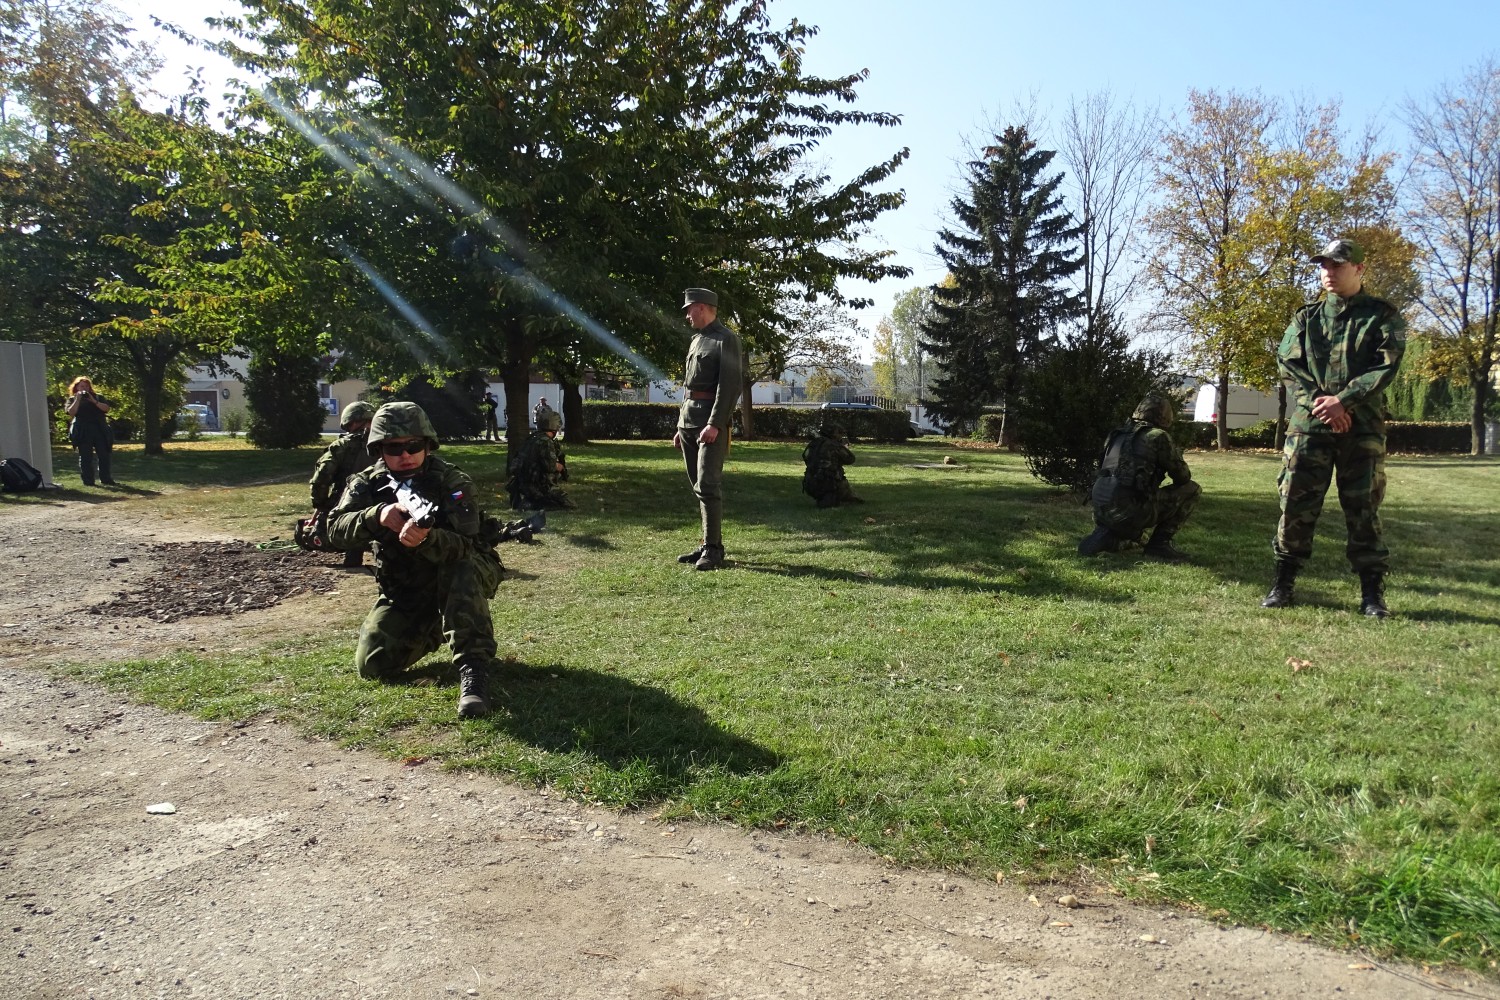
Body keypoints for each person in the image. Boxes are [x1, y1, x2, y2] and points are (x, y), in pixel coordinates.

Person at [326, 402, 503, 718]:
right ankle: (434, 624)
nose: (405, 455)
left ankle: (473, 672)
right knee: (373, 664)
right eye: (394, 448)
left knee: (459, 568)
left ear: (428, 445)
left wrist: (427, 538)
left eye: (413, 445)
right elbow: (333, 530)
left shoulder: (452, 481)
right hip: (405, 585)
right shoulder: (366, 482)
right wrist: (377, 515)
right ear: (379, 450)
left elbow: (466, 545)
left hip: (463, 571)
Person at [1262, 238, 1406, 618]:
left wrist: (1344, 401)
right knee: (1295, 504)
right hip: (1309, 428)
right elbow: (1288, 364)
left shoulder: (1382, 316)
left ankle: (1372, 594)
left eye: (1337, 265)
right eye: (1324, 265)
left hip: (1361, 429)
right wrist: (1322, 403)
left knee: (1363, 509)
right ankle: (1283, 584)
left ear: (1359, 269)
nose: (1328, 272)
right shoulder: (1306, 318)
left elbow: (1385, 366)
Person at [1078, 394, 1200, 561]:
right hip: (1130, 510)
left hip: (1100, 510)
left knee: (1126, 513)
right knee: (1192, 489)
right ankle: (1159, 545)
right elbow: (1183, 477)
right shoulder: (1158, 436)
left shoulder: (1117, 434)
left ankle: (1110, 536)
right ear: (1165, 416)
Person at [672, 287, 742, 570]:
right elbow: (689, 387)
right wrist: (680, 424)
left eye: (689, 309)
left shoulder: (726, 339)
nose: (687, 315)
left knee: (708, 485)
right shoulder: (697, 340)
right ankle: (706, 543)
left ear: (701, 307)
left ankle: (713, 550)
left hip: (709, 423)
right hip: (689, 422)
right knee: (697, 486)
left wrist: (715, 423)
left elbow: (730, 386)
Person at [309, 401, 376, 568]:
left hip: (348, 503)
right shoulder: (386, 444)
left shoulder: (342, 446)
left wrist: (321, 504)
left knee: (316, 535)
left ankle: (353, 555)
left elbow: (321, 478)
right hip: (384, 504)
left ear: (350, 422)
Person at [507, 407, 573, 510]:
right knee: (567, 504)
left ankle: (529, 500)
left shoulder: (532, 438)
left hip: (521, 484)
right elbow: (550, 467)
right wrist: (559, 467)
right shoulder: (546, 442)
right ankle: (532, 503)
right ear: (554, 427)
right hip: (536, 485)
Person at [63, 377, 116, 486]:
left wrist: (94, 401)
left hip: (100, 429)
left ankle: (106, 478)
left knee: (104, 455)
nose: (84, 388)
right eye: (82, 386)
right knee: (85, 457)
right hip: (83, 430)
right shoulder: (72, 399)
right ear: (77, 387)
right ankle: (88, 481)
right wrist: (78, 400)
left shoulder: (98, 397)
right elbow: (71, 413)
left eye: (87, 386)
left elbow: (106, 409)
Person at [802, 420, 862, 507]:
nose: (841, 436)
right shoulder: (833, 445)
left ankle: (825, 498)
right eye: (840, 433)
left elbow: (806, 458)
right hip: (828, 484)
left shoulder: (814, 444)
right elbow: (850, 459)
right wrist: (844, 447)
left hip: (810, 482)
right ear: (834, 434)